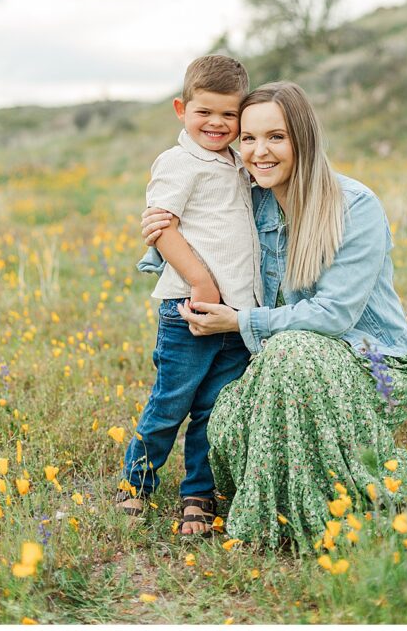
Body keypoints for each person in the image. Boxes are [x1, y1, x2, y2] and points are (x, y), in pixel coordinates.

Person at [140, 81, 407, 550]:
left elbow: (333, 314)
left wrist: (239, 322)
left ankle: (308, 518)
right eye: (249, 139)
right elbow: (202, 231)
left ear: (302, 137)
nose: (260, 152)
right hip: (277, 363)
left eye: (276, 137)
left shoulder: (354, 205)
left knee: (294, 350)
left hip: (373, 369)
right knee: (224, 423)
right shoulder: (251, 199)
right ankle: (286, 494)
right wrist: (162, 233)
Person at [117, 55, 261, 536]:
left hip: (236, 317)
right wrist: (201, 282)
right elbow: (162, 228)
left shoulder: (240, 162)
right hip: (191, 310)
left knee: (214, 411)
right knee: (171, 403)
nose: (217, 123)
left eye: (229, 115)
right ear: (182, 108)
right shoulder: (178, 161)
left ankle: (197, 492)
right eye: (205, 112)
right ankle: (136, 482)